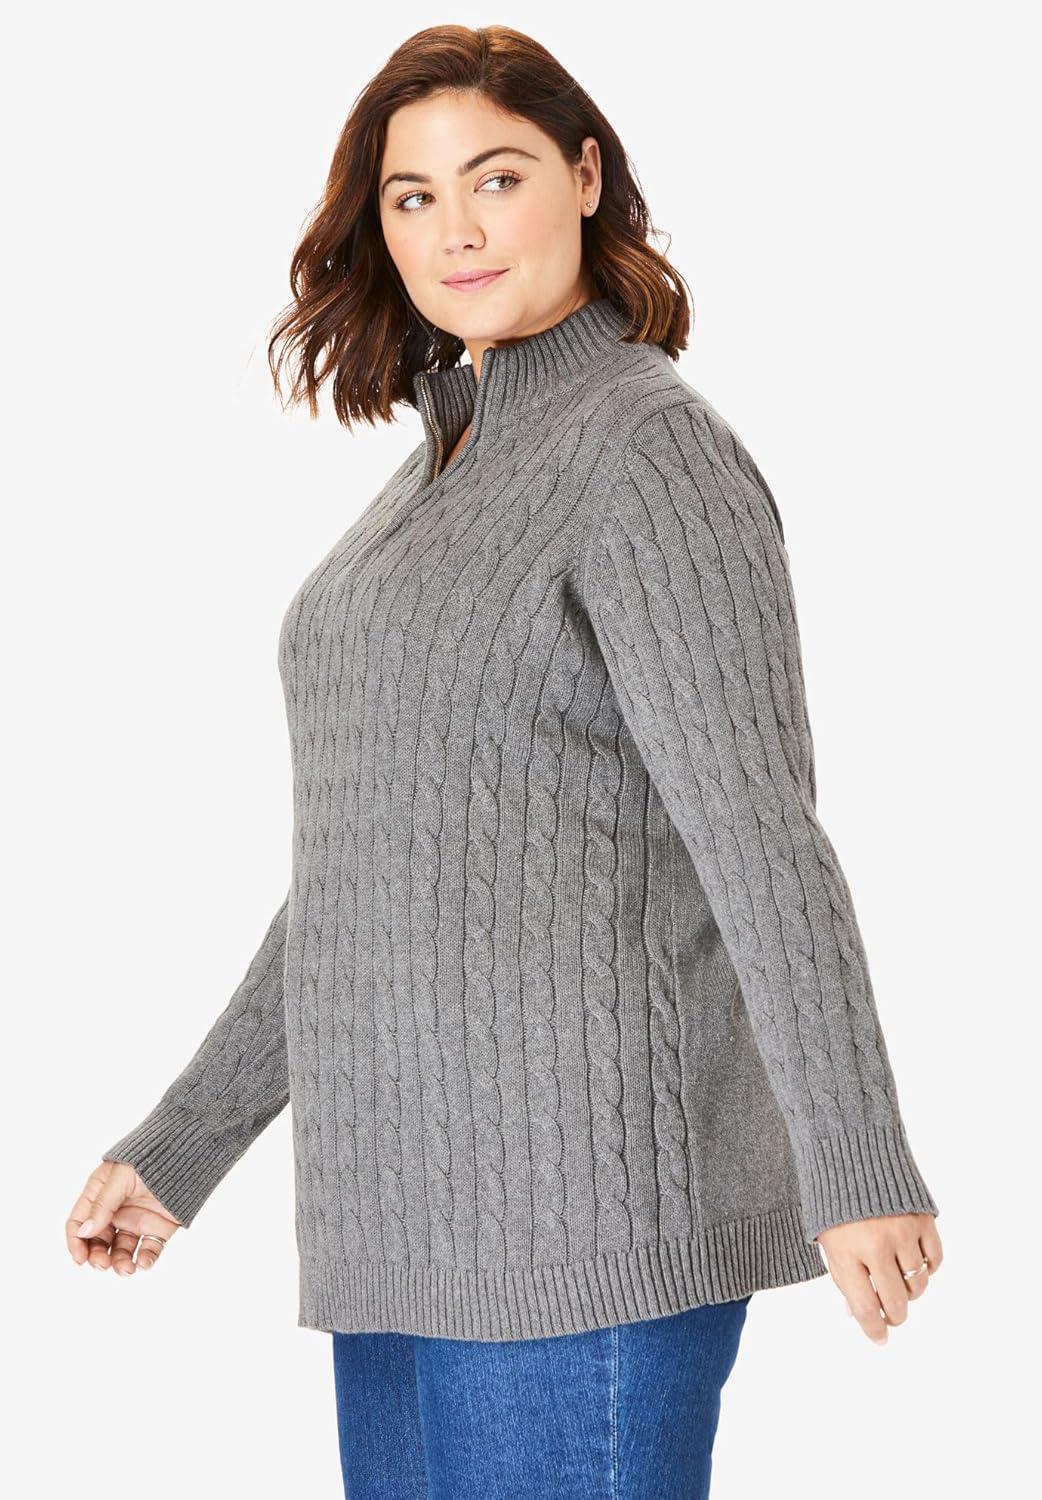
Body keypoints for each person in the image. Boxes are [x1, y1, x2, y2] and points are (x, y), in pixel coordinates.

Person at [66, 24, 943, 1499]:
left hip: (582, 1223)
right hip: (400, 1227)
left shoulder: (644, 449)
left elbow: (758, 833)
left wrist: (855, 1156)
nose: (456, 230)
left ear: (585, 177)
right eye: (412, 197)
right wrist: (185, 1142)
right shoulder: (438, 472)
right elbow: (363, 872)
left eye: (497, 177)